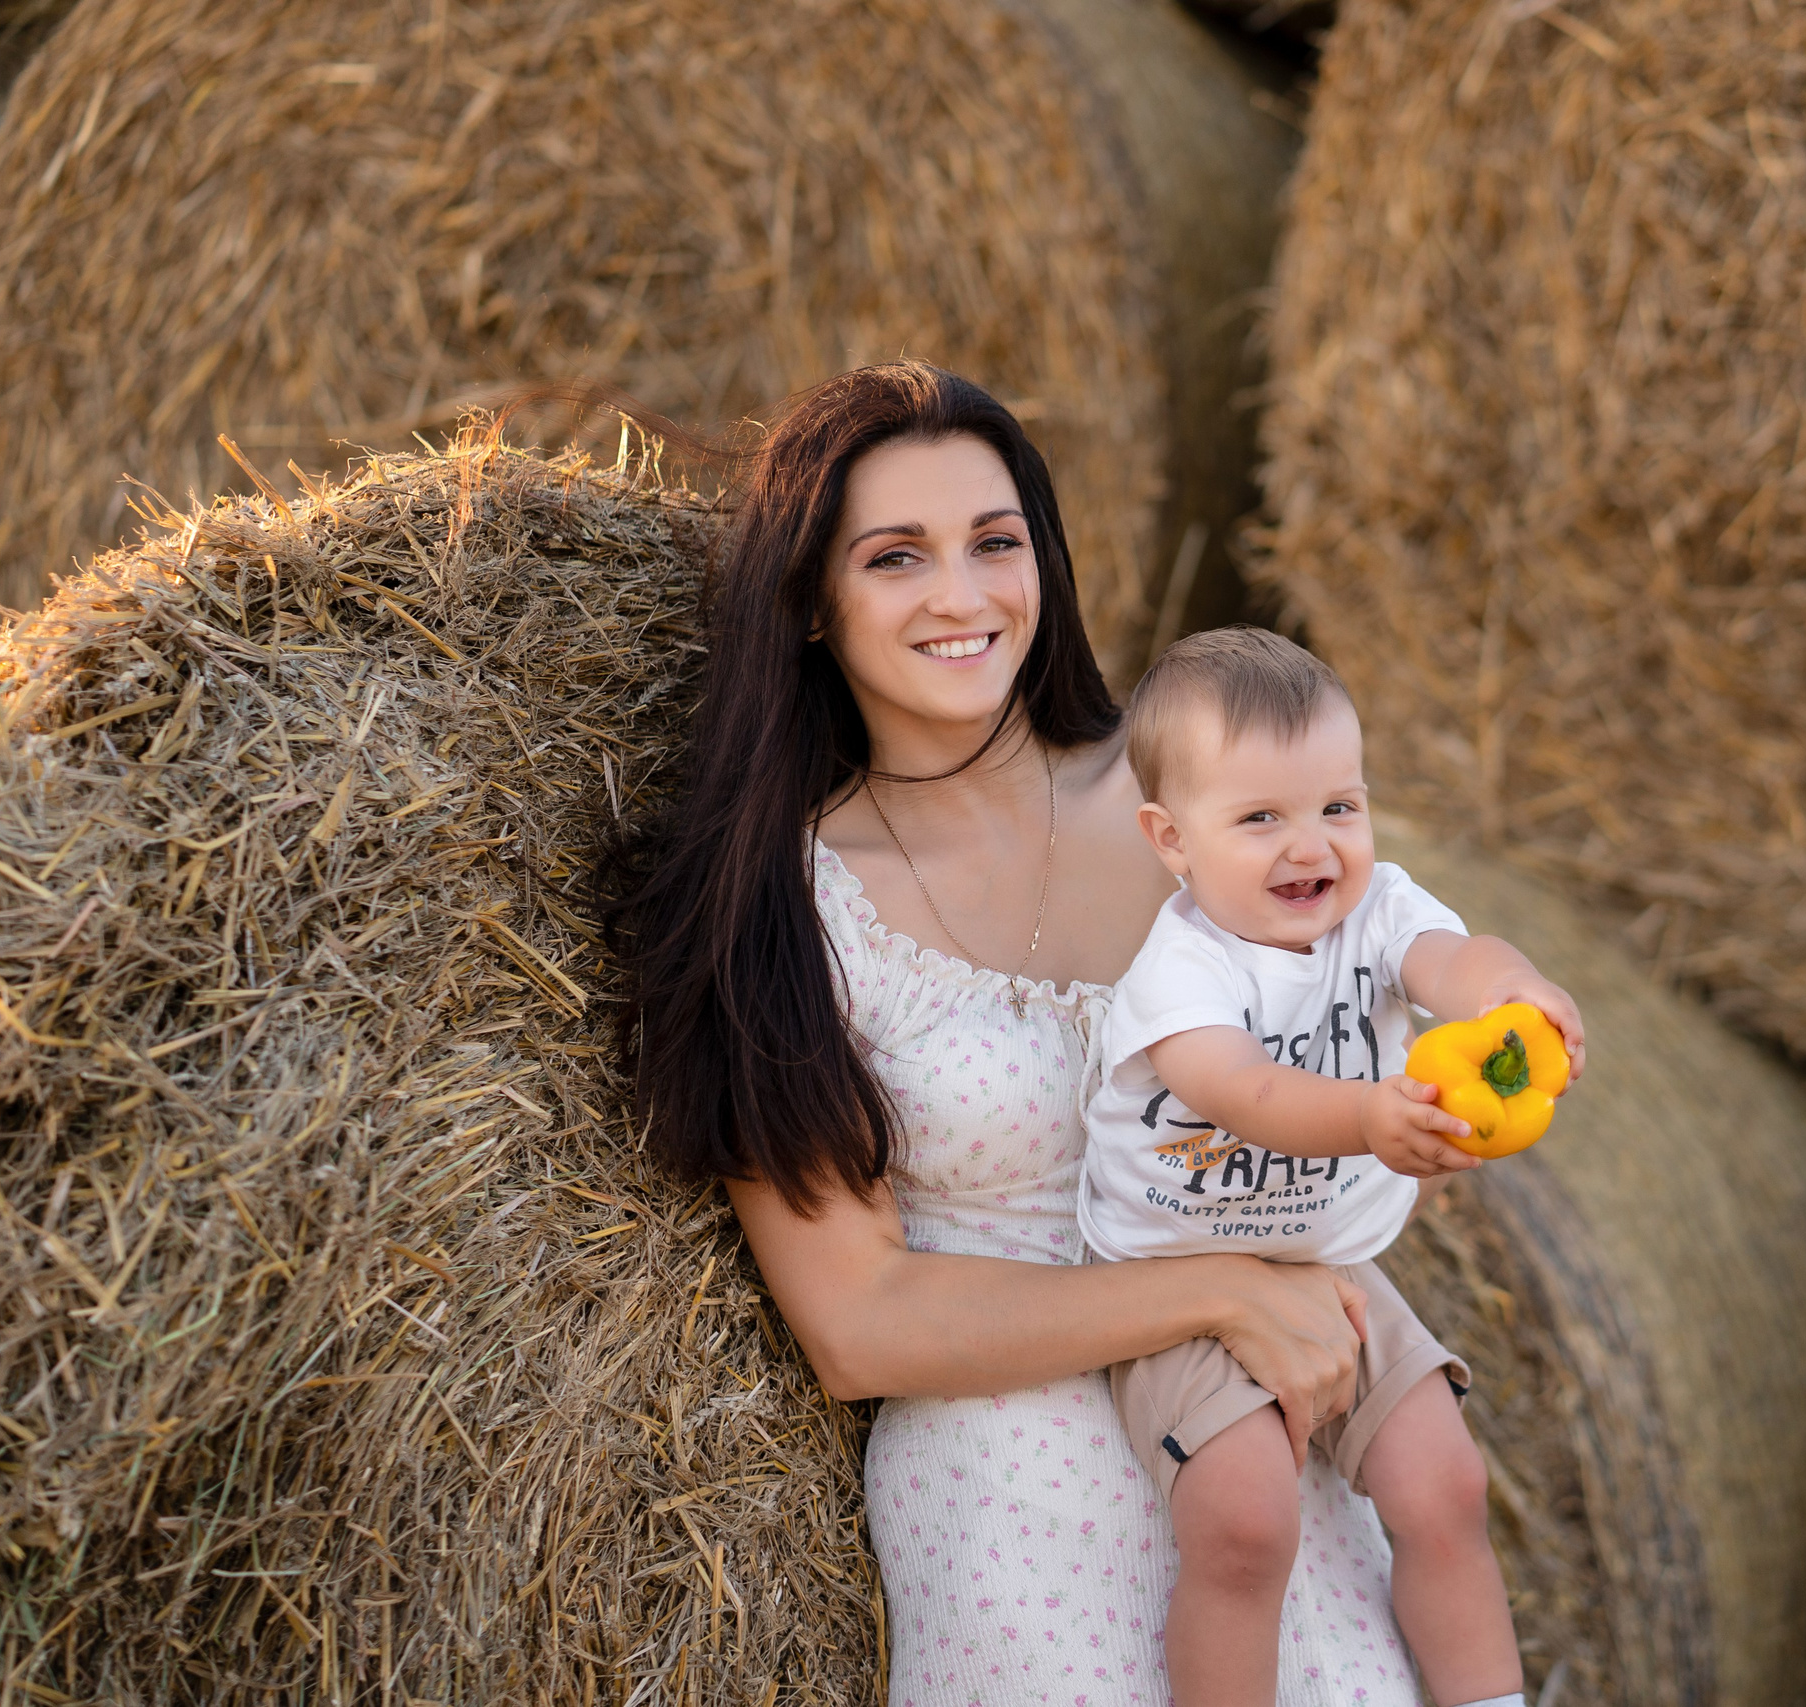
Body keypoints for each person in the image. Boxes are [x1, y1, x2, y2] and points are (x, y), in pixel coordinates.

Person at [608, 361, 1439, 1704]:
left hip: (1269, 1467)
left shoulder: (1203, 807)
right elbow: (859, 1321)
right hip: (1017, 1512)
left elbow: (1363, 1013)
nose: (963, 593)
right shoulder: (778, 911)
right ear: (815, 605)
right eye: (897, 557)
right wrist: (1221, 1291)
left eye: (997, 542)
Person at [1080, 628, 1580, 1707]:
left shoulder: (1377, 909)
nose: (1309, 846)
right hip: (1180, 1287)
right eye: (1260, 817)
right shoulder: (1181, 968)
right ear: (1171, 840)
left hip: (1334, 1270)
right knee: (1246, 1518)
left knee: (1446, 1485)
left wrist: (1519, 993)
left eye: (1336, 808)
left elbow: (1455, 961)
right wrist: (1369, 1117)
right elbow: (1242, 1092)